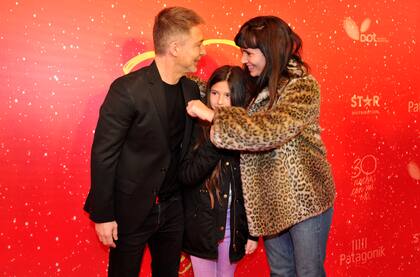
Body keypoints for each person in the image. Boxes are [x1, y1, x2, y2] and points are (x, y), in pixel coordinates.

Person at [186, 16, 336, 277]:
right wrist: (179, 77)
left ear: (270, 50)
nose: (243, 60)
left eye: (249, 52)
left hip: (305, 201)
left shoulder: (302, 86)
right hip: (269, 203)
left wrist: (214, 116)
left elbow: (269, 131)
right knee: (280, 272)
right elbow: (217, 89)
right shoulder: (254, 84)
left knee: (309, 272)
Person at [83, 7, 205, 277]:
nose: (202, 51)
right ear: (175, 47)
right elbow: (104, 155)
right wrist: (103, 214)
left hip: (173, 209)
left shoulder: (191, 89)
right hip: (131, 210)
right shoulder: (127, 90)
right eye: (198, 44)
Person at [179, 65, 258, 277]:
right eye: (214, 93)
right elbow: (186, 176)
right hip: (202, 228)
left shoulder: (249, 134)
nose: (220, 102)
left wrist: (253, 234)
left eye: (228, 95)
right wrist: (216, 138)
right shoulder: (195, 127)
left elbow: (252, 188)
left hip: (235, 229)